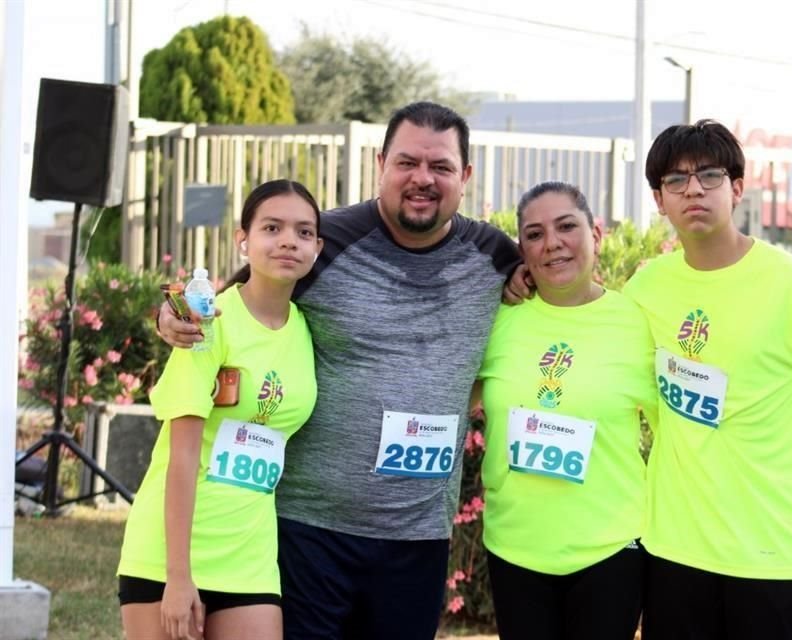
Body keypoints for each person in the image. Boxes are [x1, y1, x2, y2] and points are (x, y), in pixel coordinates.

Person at [157, 102, 527, 639]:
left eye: (441, 166)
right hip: (311, 530)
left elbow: (557, 286)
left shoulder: (494, 256)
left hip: (418, 537)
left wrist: (526, 281)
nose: (422, 179)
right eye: (407, 162)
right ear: (381, 163)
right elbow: (230, 302)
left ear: (465, 175)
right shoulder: (322, 243)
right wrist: (170, 315)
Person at [622, 120, 792, 640]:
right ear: (659, 201)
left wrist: (784, 434)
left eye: (708, 176)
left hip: (770, 549)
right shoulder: (646, 287)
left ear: (736, 188)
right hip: (674, 545)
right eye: (675, 181)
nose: (693, 190)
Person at [117, 179, 323, 640]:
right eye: (272, 227)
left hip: (250, 560)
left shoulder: (309, 330)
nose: (289, 240)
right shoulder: (208, 323)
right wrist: (178, 576)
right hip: (169, 556)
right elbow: (181, 456)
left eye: (304, 232)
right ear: (243, 239)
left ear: (318, 247)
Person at [473, 181, 658, 640]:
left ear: (596, 233)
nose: (552, 243)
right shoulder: (495, 320)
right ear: (522, 251)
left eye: (566, 226)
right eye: (534, 234)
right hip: (514, 548)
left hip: (611, 548)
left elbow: (681, 431)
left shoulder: (638, 324)